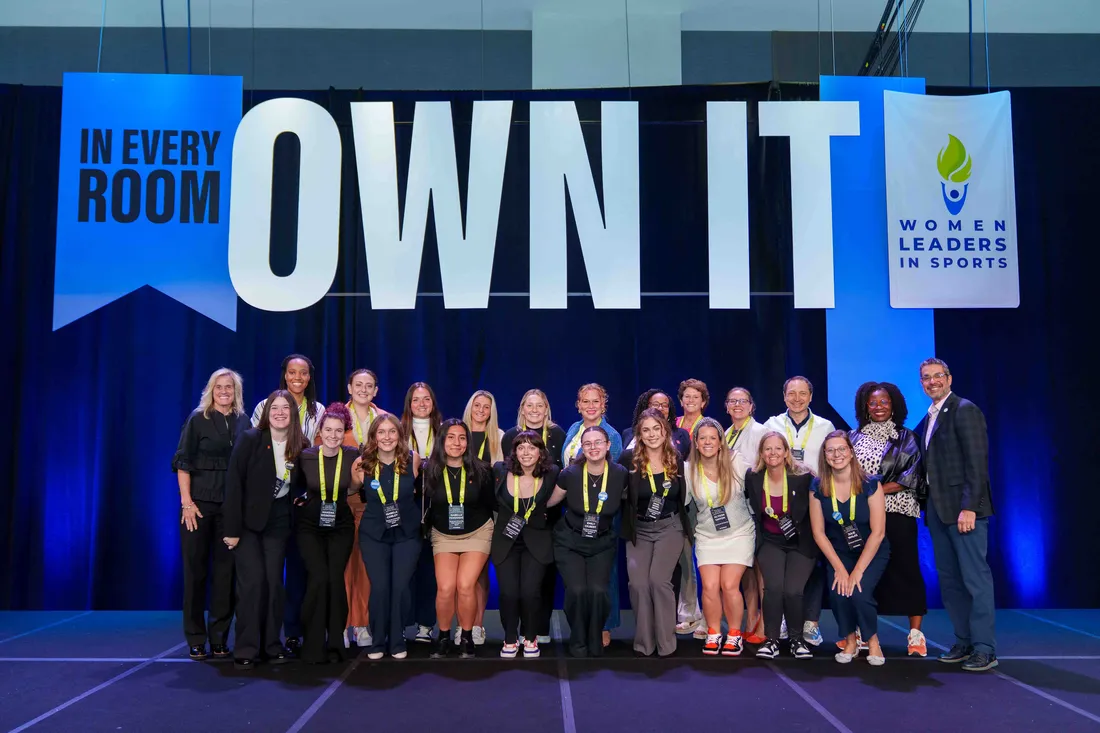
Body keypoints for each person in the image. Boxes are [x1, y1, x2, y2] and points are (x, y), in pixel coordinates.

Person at [915, 358, 997, 671]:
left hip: (964, 511)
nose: (932, 382)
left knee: (975, 579)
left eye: (938, 376)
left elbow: (977, 465)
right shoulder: (931, 416)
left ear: (949, 378)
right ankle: (964, 640)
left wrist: (970, 507)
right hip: (937, 510)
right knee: (950, 581)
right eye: (926, 378)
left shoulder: (965, 410)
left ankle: (985, 648)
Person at [223, 390, 309, 669]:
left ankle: (272, 645)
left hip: (279, 522)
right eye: (275, 408)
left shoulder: (301, 444)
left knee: (274, 584)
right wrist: (231, 529)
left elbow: (304, 483)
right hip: (247, 524)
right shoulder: (250, 439)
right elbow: (234, 484)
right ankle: (247, 648)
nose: (281, 412)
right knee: (252, 584)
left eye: (286, 408)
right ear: (267, 412)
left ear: (293, 414)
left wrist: (302, 496)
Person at [249, 354, 326, 656]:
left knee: (299, 569)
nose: (297, 377)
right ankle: (266, 634)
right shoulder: (265, 407)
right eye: (292, 372)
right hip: (270, 500)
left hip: (304, 498)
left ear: (309, 377)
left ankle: (294, 632)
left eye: (303, 373)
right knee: (268, 573)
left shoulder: (318, 411)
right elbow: (255, 447)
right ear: (284, 375)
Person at [172, 367, 248, 660]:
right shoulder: (197, 419)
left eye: (229, 387)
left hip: (231, 509)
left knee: (225, 575)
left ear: (236, 391)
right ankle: (195, 637)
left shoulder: (243, 421)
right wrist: (186, 503)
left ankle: (219, 638)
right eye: (219, 387)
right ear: (211, 390)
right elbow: (183, 462)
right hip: (199, 508)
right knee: (195, 573)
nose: (224, 391)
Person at [850, 381, 928, 657]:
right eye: (873, 402)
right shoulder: (853, 437)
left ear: (894, 404)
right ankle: (864, 632)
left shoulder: (907, 437)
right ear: (865, 406)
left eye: (884, 402)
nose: (879, 407)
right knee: (867, 574)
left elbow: (911, 478)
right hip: (863, 517)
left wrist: (873, 492)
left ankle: (916, 635)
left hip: (898, 512)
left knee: (906, 569)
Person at [764, 376, 835, 646]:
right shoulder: (772, 425)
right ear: (784, 397)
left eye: (802, 393)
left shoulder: (825, 426)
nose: (797, 398)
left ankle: (811, 622)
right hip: (780, 502)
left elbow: (831, 462)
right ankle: (782, 619)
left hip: (814, 501)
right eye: (791, 394)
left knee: (812, 562)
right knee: (781, 563)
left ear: (810, 396)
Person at [810, 431, 890, 666]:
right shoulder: (818, 486)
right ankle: (850, 641)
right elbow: (818, 532)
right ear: (824, 456)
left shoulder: (871, 484)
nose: (837, 455)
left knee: (859, 592)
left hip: (871, 551)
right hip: (839, 553)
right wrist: (840, 568)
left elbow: (878, 533)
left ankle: (872, 641)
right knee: (838, 592)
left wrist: (857, 572)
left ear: (851, 452)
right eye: (831, 450)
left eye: (842, 449)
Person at [292, 403, 364, 664]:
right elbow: (296, 488)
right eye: (328, 430)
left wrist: (358, 482)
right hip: (309, 527)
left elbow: (358, 488)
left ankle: (335, 643)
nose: (333, 435)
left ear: (345, 431)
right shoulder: (307, 456)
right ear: (320, 431)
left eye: (338, 430)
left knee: (335, 580)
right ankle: (311, 643)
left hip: (341, 526)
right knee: (318, 578)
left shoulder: (354, 454)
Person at [548, 425, 627, 657]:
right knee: (577, 590)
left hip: (601, 543)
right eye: (588, 444)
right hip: (570, 541)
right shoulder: (570, 473)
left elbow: (629, 499)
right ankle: (578, 638)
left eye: (598, 442)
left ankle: (595, 637)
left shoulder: (619, 473)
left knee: (598, 591)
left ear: (608, 445)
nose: (593, 447)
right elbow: (550, 501)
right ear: (582, 447)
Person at [621, 408, 693, 657]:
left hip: (669, 528)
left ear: (665, 431)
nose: (651, 434)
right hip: (639, 530)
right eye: (646, 430)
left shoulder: (677, 459)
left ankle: (666, 643)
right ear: (639, 434)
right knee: (639, 584)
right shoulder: (628, 460)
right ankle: (644, 643)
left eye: (656, 429)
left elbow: (685, 498)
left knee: (659, 581)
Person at [423, 420, 495, 659]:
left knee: (465, 585)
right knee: (445, 588)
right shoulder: (429, 470)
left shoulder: (482, 470)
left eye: (462, 438)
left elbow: (491, 504)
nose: (457, 443)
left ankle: (466, 636)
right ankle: (443, 637)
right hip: (443, 534)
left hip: (477, 532)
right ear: (442, 441)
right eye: (451, 437)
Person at [501, 388, 567, 645]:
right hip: (515, 515)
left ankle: (540, 628)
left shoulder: (558, 434)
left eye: (540, 405)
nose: (535, 410)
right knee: (516, 579)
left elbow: (562, 473)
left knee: (544, 574)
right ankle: (514, 631)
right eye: (530, 405)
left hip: (548, 514)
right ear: (522, 409)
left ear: (546, 408)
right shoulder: (511, 436)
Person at [561, 384, 624, 648]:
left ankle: (604, 626)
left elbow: (609, 474)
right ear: (578, 404)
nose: (590, 405)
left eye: (595, 401)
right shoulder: (574, 430)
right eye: (585, 401)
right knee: (579, 578)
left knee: (603, 575)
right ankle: (582, 624)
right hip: (574, 512)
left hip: (602, 512)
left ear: (603, 404)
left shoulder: (612, 435)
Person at [687, 418, 755, 656]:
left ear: (720, 442)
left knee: (728, 585)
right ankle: (714, 632)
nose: (707, 442)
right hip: (707, 535)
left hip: (739, 533)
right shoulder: (689, 470)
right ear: (695, 442)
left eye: (712, 438)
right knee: (710, 585)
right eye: (702, 438)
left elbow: (757, 481)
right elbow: (679, 501)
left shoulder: (735, 461)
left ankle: (734, 634)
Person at [745, 431, 816, 660]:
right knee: (773, 589)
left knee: (793, 591)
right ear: (761, 453)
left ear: (786, 453)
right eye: (768, 448)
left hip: (800, 543)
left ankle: (797, 640)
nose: (773, 453)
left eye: (778, 448)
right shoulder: (754, 477)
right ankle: (772, 640)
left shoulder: (802, 478)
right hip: (771, 542)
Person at [357, 414, 422, 660]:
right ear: (373, 436)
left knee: (400, 587)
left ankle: (397, 638)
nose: (387, 437)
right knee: (381, 587)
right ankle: (377, 640)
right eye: (381, 432)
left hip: (407, 533)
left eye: (392, 432)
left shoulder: (413, 459)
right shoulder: (362, 463)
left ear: (400, 435)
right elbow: (349, 488)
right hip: (374, 534)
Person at [491, 431, 560, 658]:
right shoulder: (500, 470)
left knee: (531, 592)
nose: (526, 452)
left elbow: (557, 498)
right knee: (509, 593)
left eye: (532, 447)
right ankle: (510, 637)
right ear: (514, 451)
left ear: (541, 452)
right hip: (506, 541)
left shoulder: (552, 474)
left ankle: (530, 637)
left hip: (537, 541)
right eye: (521, 447)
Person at [337, 368, 386, 649]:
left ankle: (362, 623)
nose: (364, 390)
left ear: (376, 390)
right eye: (359, 385)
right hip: (344, 501)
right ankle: (342, 624)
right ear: (349, 387)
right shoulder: (336, 418)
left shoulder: (385, 419)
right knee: (344, 566)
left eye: (369, 385)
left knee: (366, 567)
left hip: (374, 504)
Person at [723, 386, 768, 643]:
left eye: (742, 401)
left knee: (761, 568)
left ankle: (765, 622)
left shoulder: (761, 432)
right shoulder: (726, 434)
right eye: (732, 401)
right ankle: (751, 617)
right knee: (746, 569)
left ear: (752, 406)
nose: (737, 405)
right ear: (726, 407)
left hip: (759, 506)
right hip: (735, 509)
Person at [401, 382, 442, 644]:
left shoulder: (444, 429)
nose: (421, 404)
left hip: (436, 503)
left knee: (430, 566)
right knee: (407, 565)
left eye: (426, 399)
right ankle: (405, 621)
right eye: (416, 400)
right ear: (409, 403)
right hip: (408, 502)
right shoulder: (397, 429)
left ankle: (427, 624)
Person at [462, 390, 505, 643]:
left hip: (491, 511)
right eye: (476, 405)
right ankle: (463, 625)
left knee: (481, 572)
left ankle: (477, 625)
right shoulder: (457, 433)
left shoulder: (498, 437)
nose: (480, 410)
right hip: (460, 511)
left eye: (486, 407)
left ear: (492, 411)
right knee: (463, 576)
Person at [621, 389, 691, 458]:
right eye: (655, 404)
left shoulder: (682, 435)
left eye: (665, 405)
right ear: (646, 407)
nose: (660, 408)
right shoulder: (628, 433)